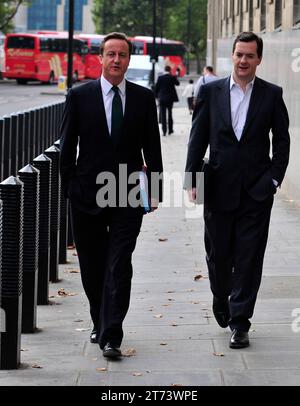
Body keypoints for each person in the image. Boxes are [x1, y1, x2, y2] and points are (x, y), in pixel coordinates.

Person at [60, 32, 163, 358]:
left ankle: (111, 335)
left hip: (128, 193)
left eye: (122, 54)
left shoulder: (144, 99)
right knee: (92, 265)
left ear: (129, 60)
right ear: (100, 58)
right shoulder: (79, 96)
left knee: (119, 264)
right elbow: (67, 147)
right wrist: (69, 189)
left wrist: (155, 191)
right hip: (87, 194)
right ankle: (98, 320)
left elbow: (153, 147)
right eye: (111, 54)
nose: (116, 60)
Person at [184, 32, 290, 349]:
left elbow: (282, 143)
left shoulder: (272, 95)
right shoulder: (211, 91)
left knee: (249, 258)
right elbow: (197, 137)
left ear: (259, 59)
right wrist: (192, 180)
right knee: (218, 257)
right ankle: (221, 295)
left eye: (249, 56)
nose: (243, 61)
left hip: (256, 193)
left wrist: (272, 180)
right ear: (232, 56)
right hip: (216, 188)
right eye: (239, 54)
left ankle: (240, 321)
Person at [155, 65, 179, 136]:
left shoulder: (160, 78)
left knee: (163, 115)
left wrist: (156, 96)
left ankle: (164, 131)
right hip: (170, 98)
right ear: (170, 70)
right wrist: (175, 76)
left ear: (164, 70)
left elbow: (157, 88)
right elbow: (177, 83)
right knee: (170, 114)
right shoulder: (172, 77)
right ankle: (170, 130)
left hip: (162, 98)